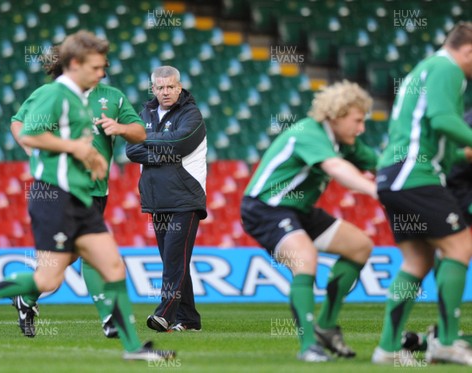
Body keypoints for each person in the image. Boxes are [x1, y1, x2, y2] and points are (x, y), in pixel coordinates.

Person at [0, 30, 174, 362]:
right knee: (47, 277)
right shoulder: (55, 94)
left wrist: (95, 154)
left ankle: (132, 349)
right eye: (96, 67)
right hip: (53, 196)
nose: (102, 73)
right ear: (75, 64)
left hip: (82, 197)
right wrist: (77, 149)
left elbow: (122, 135)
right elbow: (29, 133)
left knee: (112, 265)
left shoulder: (84, 97)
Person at [9, 46, 147, 338]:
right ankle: (110, 318)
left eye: (100, 66)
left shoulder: (113, 96)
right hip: (60, 189)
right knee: (89, 255)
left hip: (95, 189)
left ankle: (26, 297)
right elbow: (19, 123)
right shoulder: (52, 93)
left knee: (70, 257)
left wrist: (120, 128)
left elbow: (140, 132)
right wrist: (30, 149)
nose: (98, 70)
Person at [241, 80, 378, 362]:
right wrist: (376, 190)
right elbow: (335, 167)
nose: (361, 128)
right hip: (265, 207)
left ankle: (326, 326)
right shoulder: (309, 131)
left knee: (360, 246)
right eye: (357, 120)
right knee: (305, 259)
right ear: (337, 116)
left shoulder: (344, 141)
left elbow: (383, 164)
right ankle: (308, 348)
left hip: (297, 210)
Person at [372, 22, 472, 366]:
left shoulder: (425, 69)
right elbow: (443, 119)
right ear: (469, 51)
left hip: (394, 175)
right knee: (460, 246)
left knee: (417, 261)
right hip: (416, 174)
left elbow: (430, 132)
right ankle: (446, 341)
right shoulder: (448, 68)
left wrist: (462, 154)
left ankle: (387, 348)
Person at [126, 66, 207, 333]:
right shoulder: (146, 113)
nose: (165, 92)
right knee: (174, 261)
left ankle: (165, 314)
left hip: (185, 198)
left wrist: (147, 140)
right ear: (153, 89)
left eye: (170, 87)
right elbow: (131, 148)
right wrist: (159, 151)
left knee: (174, 260)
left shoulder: (191, 113)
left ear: (180, 87)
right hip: (157, 200)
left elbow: (181, 142)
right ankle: (190, 320)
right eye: (160, 87)